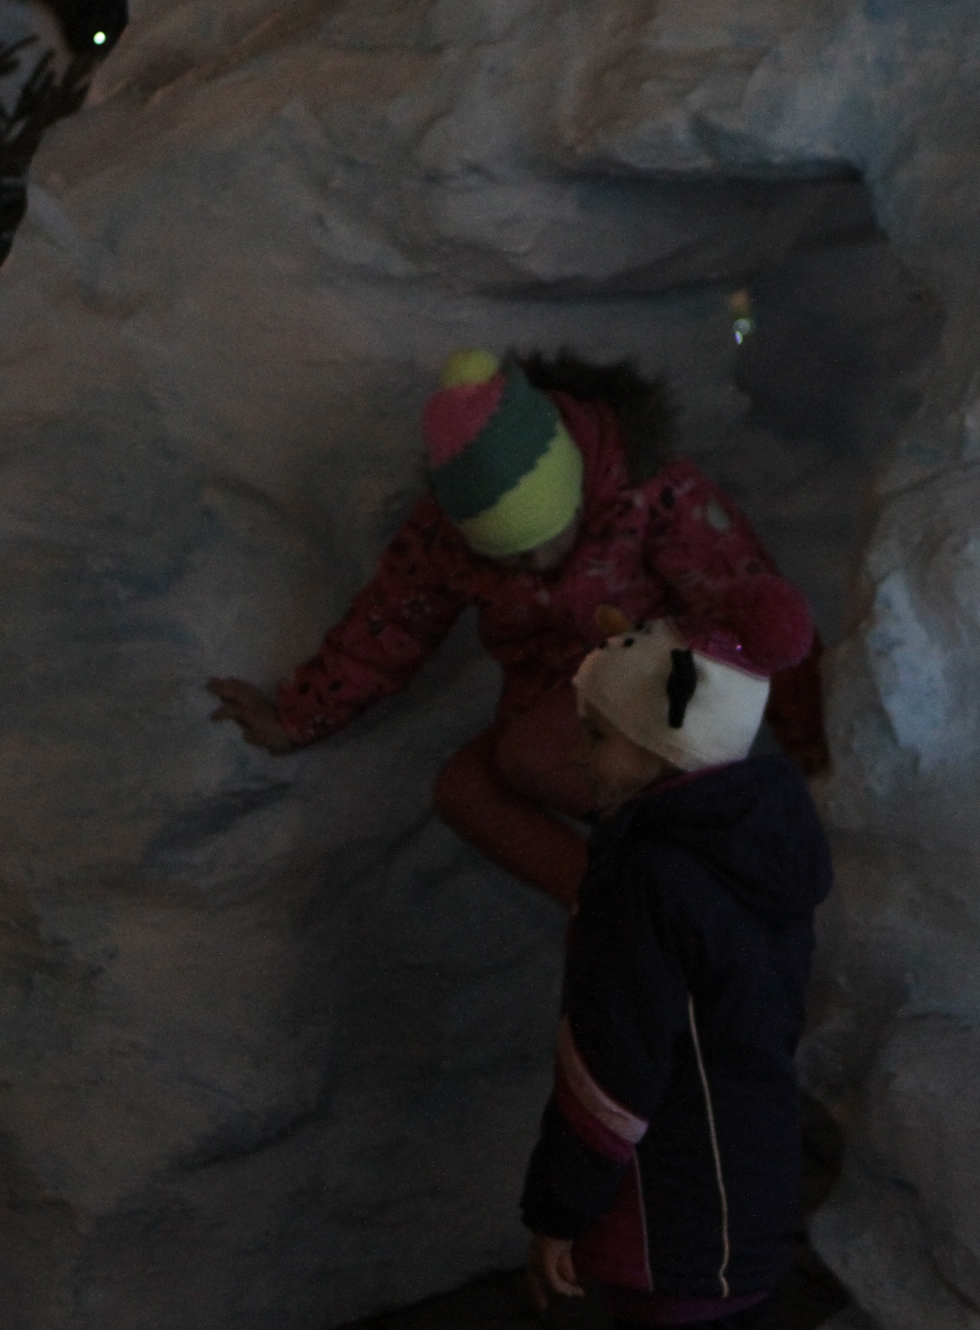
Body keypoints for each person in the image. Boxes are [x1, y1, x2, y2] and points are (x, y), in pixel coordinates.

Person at [206, 347, 826, 909]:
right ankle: (611, 907)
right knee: (464, 790)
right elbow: (388, 624)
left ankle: (701, 858)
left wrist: (811, 738)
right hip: (555, 695)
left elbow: (750, 596)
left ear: (576, 487)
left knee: (530, 754)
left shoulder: (646, 490)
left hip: (655, 684)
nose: (536, 564)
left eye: (548, 536)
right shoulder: (444, 537)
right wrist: (299, 715)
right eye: (509, 555)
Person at [520, 609, 832, 1327]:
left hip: (670, 1201)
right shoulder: (756, 849)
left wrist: (558, 1212)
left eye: (597, 735)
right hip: (749, 1180)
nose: (577, 755)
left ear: (661, 747)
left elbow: (611, 1068)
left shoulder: (645, 880)